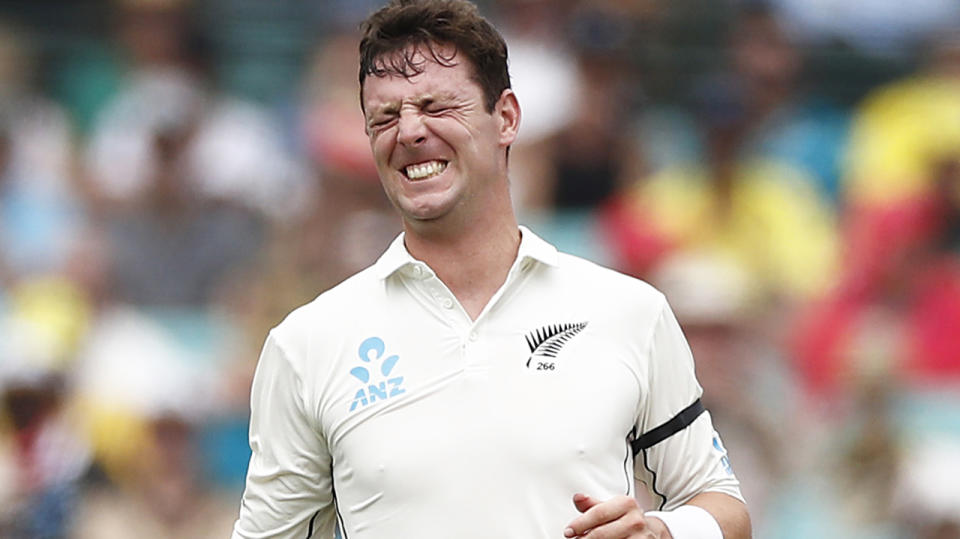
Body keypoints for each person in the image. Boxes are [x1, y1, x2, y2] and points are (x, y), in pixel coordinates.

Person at [232, 1, 751, 538]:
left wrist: (664, 533)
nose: (408, 132)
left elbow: (725, 509)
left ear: (506, 117)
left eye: (436, 106)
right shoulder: (306, 344)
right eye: (385, 117)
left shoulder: (630, 311)